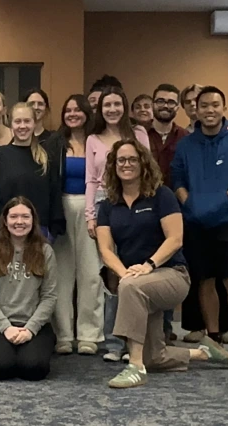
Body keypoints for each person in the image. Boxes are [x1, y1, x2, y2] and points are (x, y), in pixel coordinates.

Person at [97, 139, 228, 389]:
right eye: (121, 160)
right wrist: (124, 273)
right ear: (113, 165)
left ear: (143, 163)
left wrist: (149, 265)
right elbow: (106, 250)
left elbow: (175, 239)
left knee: (130, 289)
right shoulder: (108, 205)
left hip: (172, 275)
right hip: (136, 281)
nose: (126, 164)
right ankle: (204, 353)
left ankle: (135, 368)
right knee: (155, 357)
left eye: (132, 159)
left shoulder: (161, 195)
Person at [171, 86, 228, 355]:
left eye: (215, 105)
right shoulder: (186, 144)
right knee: (205, 280)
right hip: (196, 223)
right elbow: (177, 180)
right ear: (195, 111)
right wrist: (190, 203)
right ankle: (213, 339)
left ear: (223, 108)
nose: (210, 110)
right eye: (204, 106)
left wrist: (220, 204)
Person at [85, 86, 150, 362]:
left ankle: (135, 339)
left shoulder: (138, 134)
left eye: (116, 104)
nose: (112, 109)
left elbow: (147, 170)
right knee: (111, 271)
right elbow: (90, 179)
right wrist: (90, 214)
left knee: (136, 268)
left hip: (136, 200)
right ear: (100, 109)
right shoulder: (93, 138)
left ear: (124, 107)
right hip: (105, 202)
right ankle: (113, 342)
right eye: (106, 105)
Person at [45, 95, 103, 355]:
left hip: (93, 211)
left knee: (91, 274)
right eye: (67, 110)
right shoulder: (54, 143)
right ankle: (64, 335)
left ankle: (89, 334)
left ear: (87, 113)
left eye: (77, 109)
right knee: (61, 274)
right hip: (62, 209)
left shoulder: (97, 140)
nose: (72, 114)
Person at [0, 196, 56, 381]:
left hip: (34, 324)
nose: (19, 222)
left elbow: (49, 297)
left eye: (25, 217)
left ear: (33, 220)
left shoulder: (46, 252)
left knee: (34, 369)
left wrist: (30, 329)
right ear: (5, 221)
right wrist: (6, 328)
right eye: (13, 217)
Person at [147, 84, 190, 344]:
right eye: (160, 101)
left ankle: (164, 328)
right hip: (143, 208)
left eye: (171, 102)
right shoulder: (140, 134)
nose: (165, 106)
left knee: (166, 266)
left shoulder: (185, 137)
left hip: (174, 210)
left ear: (178, 106)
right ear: (153, 104)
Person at [0, 102, 64, 242]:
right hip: (4, 231)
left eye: (27, 121)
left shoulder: (46, 157)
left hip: (39, 232)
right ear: (10, 124)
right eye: (18, 121)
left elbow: (54, 194)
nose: (22, 126)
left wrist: (53, 231)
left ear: (35, 123)